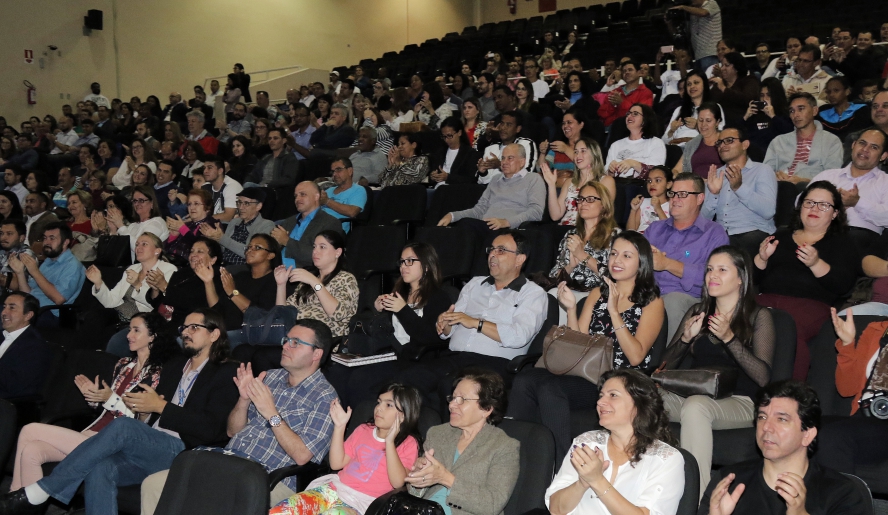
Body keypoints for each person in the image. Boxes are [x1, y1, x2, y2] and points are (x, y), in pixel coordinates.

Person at [0, 308, 239, 515]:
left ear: (214, 334)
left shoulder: (226, 372)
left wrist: (159, 407)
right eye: (184, 327)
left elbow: (211, 429)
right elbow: (148, 416)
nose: (185, 332)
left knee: (124, 426)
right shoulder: (175, 366)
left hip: (182, 449)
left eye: (194, 327)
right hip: (148, 444)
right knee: (101, 467)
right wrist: (144, 409)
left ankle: (43, 490)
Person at [142, 319, 339, 514]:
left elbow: (303, 456)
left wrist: (271, 413)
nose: (286, 346)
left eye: (295, 342)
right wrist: (243, 400)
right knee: (153, 485)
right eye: (286, 340)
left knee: (205, 500)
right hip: (227, 463)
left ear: (317, 353)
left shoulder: (325, 398)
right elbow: (232, 431)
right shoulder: (270, 377)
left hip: (266, 479)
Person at [512, 231, 665, 459]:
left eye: (626, 256)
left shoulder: (651, 301)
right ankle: (520, 454)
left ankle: (562, 463)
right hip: (587, 372)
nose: (617, 260)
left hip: (619, 379)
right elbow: (579, 341)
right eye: (613, 254)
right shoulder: (597, 293)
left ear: (641, 262)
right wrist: (572, 309)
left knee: (550, 390)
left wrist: (614, 311)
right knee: (525, 380)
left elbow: (636, 357)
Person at [9, 312, 177, 490]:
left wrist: (109, 398)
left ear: (153, 336)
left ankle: (15, 499)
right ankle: (26, 505)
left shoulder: (158, 374)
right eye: (129, 330)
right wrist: (94, 397)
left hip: (114, 442)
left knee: (29, 430)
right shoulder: (124, 365)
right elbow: (106, 409)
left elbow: (138, 421)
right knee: (32, 451)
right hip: (93, 433)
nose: (129, 335)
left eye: (136, 330)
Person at [659, 246, 775, 491]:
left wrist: (730, 338)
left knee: (696, 407)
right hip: (697, 396)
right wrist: (685, 340)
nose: (713, 275)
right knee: (638, 396)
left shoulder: (758, 316)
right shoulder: (698, 312)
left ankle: (696, 496)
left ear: (741, 278)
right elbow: (662, 368)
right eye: (710, 269)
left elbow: (764, 377)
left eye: (722, 270)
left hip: (741, 401)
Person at [699, 380, 869, 515]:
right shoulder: (729, 482)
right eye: (762, 417)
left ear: (807, 435)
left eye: (781, 419)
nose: (766, 427)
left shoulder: (841, 493)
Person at [754, 181, 858, 380]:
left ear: (835, 213)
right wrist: (762, 258)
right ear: (800, 207)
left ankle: (788, 395)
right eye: (809, 203)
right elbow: (753, 277)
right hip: (767, 300)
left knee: (788, 329)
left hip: (810, 307)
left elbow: (843, 286)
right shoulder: (781, 235)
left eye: (823, 205)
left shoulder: (843, 243)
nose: (814, 209)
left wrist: (815, 263)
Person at [544, 369, 685, 515]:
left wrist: (597, 480)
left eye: (613, 395)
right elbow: (556, 509)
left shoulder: (666, 459)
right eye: (601, 396)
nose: (600, 402)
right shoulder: (587, 443)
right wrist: (582, 483)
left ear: (639, 404)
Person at [270, 383, 422, 514]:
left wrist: (389, 443)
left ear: (403, 415)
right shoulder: (364, 429)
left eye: (388, 405)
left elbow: (397, 483)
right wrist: (339, 427)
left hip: (363, 503)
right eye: (379, 402)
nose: (379, 409)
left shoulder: (408, 442)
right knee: (281, 511)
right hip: (334, 490)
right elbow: (336, 464)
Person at [404, 368, 520, 514]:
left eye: (462, 399)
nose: (452, 405)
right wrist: (419, 475)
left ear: (486, 409)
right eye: (452, 398)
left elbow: (492, 504)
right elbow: (414, 493)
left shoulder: (504, 447)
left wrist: (446, 478)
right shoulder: (438, 433)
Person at [90, 232, 177, 356]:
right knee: (94, 317)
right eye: (137, 244)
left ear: (157, 250)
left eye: (144, 244)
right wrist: (98, 282)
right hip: (120, 315)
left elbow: (158, 305)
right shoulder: (132, 269)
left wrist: (137, 285)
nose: (138, 248)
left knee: (115, 341)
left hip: (144, 319)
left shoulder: (168, 270)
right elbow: (111, 301)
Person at [702, 125, 777, 257]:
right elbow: (703, 219)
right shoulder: (716, 174)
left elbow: (768, 211)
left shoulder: (762, 170)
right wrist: (714, 194)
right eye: (719, 142)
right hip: (721, 235)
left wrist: (739, 187)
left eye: (729, 140)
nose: (722, 145)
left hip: (754, 231)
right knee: (692, 249)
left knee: (732, 252)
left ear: (745, 144)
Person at [807, 128, 888, 252]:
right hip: (818, 231)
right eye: (862, 143)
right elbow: (799, 203)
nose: (865, 149)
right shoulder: (827, 176)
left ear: (883, 156)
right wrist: (828, 204)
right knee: (783, 234)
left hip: (860, 238)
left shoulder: (885, 182)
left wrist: (857, 203)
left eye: (874, 147)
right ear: (853, 145)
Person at [438, 144, 545, 233]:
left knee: (466, 227)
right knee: (457, 227)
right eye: (502, 158)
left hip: (510, 230)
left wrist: (507, 222)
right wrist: (452, 216)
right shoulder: (495, 179)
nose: (504, 162)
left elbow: (536, 212)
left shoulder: (533, 179)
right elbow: (479, 210)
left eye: (510, 158)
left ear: (522, 162)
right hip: (485, 226)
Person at [274, 230, 358, 339]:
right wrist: (281, 285)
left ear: (338, 252)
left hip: (322, 340)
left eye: (322, 247)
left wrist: (314, 282)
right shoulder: (308, 279)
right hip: (294, 335)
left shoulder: (346, 279)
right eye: (314, 247)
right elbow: (281, 315)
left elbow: (338, 313)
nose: (315, 251)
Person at [547, 181, 620, 297]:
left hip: (598, 294)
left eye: (590, 199)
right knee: (550, 294)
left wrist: (582, 256)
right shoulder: (571, 234)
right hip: (569, 290)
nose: (583, 203)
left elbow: (615, 276)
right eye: (580, 199)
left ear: (604, 205)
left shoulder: (615, 236)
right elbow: (553, 277)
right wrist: (570, 266)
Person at [11, 222, 85, 325]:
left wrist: (35, 272)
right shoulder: (48, 262)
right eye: (45, 238)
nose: (46, 242)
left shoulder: (73, 266)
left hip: (50, 314)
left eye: (52, 238)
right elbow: (27, 293)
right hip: (31, 308)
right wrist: (19, 273)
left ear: (65, 242)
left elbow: (59, 299)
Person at [764, 93, 843, 186]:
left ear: (814, 111)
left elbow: (832, 177)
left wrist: (804, 181)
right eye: (792, 111)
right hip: (781, 187)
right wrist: (775, 176)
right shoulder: (779, 141)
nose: (796, 115)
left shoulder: (831, 141)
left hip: (811, 189)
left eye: (801, 109)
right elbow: (764, 173)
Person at [543, 136, 615, 226]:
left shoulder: (606, 181)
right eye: (576, 152)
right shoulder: (569, 182)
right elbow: (555, 216)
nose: (578, 155)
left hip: (591, 229)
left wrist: (589, 185)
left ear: (594, 155)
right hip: (565, 229)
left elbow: (605, 213)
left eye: (583, 151)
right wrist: (551, 185)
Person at [272, 181, 344, 269]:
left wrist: (287, 242)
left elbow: (323, 257)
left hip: (305, 274)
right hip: (277, 270)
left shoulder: (330, 223)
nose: (297, 199)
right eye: (296, 196)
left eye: (302, 194)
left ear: (316, 196)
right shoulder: (289, 221)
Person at [199, 187, 274, 266]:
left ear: (258, 206)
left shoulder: (266, 225)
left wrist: (222, 238)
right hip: (223, 265)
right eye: (239, 202)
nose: (241, 207)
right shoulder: (234, 222)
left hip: (243, 269)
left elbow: (251, 252)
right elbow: (222, 250)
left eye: (246, 203)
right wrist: (213, 238)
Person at [0, 292, 51, 400]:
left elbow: (17, 387)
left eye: (12, 308)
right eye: (4, 307)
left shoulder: (34, 347)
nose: (4, 312)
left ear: (28, 315)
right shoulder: (2, 335)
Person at [98, 185, 169, 259]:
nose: (137, 204)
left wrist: (120, 226)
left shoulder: (157, 222)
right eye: (135, 201)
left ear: (152, 203)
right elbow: (117, 252)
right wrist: (113, 231)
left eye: (141, 200)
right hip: (129, 267)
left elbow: (140, 248)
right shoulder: (133, 226)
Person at [664, 70, 725, 146]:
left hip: (701, 147)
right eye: (689, 84)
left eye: (696, 83)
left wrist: (697, 126)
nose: (692, 86)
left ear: (704, 85)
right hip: (678, 148)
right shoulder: (679, 110)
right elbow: (664, 141)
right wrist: (672, 131)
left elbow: (720, 135)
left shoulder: (715, 107)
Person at [476, 110, 539, 184]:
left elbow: (526, 174)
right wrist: (483, 172)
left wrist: (500, 165)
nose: (503, 128)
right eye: (502, 123)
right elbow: (481, 181)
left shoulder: (526, 144)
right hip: (492, 191)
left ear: (518, 129)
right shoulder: (491, 148)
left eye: (508, 125)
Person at [605, 104, 666, 179]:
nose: (629, 116)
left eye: (635, 114)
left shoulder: (656, 143)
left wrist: (633, 163)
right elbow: (605, 176)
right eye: (628, 113)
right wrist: (611, 170)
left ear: (645, 119)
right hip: (617, 184)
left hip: (641, 186)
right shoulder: (616, 145)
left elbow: (657, 173)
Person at [164, 189, 217, 266]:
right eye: (189, 204)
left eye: (196, 204)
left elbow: (199, 246)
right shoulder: (188, 224)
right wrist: (173, 236)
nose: (192, 207)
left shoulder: (211, 224)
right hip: (170, 261)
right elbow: (166, 248)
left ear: (207, 207)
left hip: (187, 265)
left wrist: (182, 229)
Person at [673, 102, 724, 178]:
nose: (703, 125)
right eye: (700, 120)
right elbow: (676, 170)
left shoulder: (726, 142)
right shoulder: (692, 144)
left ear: (717, 122)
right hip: (694, 186)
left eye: (708, 121)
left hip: (720, 185)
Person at [598, 61, 655, 127]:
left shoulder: (646, 93)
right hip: (612, 128)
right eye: (624, 71)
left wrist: (622, 103)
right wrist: (612, 105)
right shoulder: (615, 92)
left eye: (630, 70)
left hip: (634, 128)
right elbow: (602, 114)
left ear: (639, 73)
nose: (627, 72)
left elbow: (643, 115)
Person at [743, 78, 794, 151]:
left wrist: (773, 116)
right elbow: (739, 135)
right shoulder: (755, 114)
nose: (764, 99)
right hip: (754, 154)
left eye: (768, 95)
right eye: (762, 95)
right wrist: (745, 118)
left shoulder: (786, 113)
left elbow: (790, 133)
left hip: (778, 153)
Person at [816, 76, 871, 142]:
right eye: (828, 92)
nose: (831, 95)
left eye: (836, 90)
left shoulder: (862, 110)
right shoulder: (822, 112)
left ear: (847, 91)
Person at [429, 117, 481, 187]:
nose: (446, 140)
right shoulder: (439, 153)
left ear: (459, 133)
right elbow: (432, 176)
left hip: (456, 191)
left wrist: (448, 177)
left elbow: (470, 179)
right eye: (444, 137)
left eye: (449, 136)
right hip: (437, 189)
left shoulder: (470, 153)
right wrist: (433, 176)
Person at [709, 52, 760, 122]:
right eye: (722, 65)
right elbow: (711, 104)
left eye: (726, 65)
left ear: (737, 68)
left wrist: (724, 89)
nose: (722, 68)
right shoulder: (719, 84)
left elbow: (748, 100)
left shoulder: (749, 80)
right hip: (721, 125)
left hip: (745, 123)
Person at [321, 158, 366, 233]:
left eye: (338, 170)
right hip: (317, 224)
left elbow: (352, 212)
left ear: (350, 171)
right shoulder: (329, 190)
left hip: (334, 231)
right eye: (333, 171)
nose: (334, 174)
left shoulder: (358, 190)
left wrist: (327, 201)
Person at [628, 166, 673, 233]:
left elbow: (668, 231)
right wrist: (633, 210)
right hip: (640, 239)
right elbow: (630, 232)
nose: (652, 184)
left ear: (668, 184)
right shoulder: (643, 202)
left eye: (657, 180)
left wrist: (658, 208)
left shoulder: (672, 205)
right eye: (649, 181)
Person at [200, 155, 242, 223]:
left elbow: (228, 216)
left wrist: (201, 219)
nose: (205, 171)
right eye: (204, 168)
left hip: (227, 228)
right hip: (209, 224)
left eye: (209, 168)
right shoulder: (205, 187)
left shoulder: (232, 186)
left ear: (220, 171)